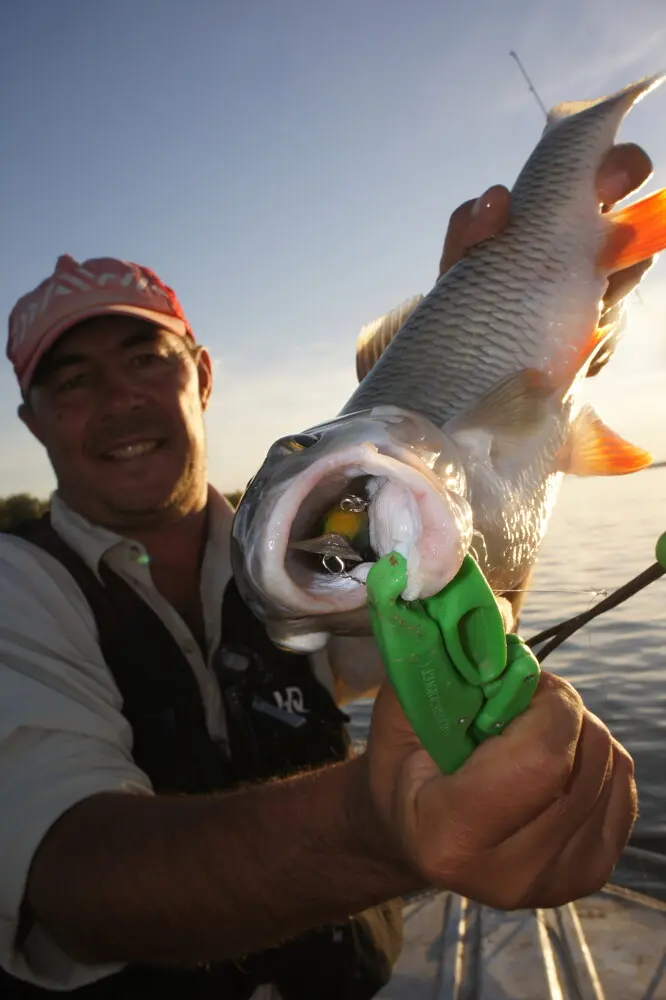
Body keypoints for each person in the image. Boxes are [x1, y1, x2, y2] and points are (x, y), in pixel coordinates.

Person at [0, 141, 651, 998]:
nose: (119, 397)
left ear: (200, 376)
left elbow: (446, 624)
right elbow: (67, 875)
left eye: (144, 357)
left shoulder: (324, 536)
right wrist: (379, 828)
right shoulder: (18, 589)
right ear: (32, 420)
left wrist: (522, 360)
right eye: (72, 379)